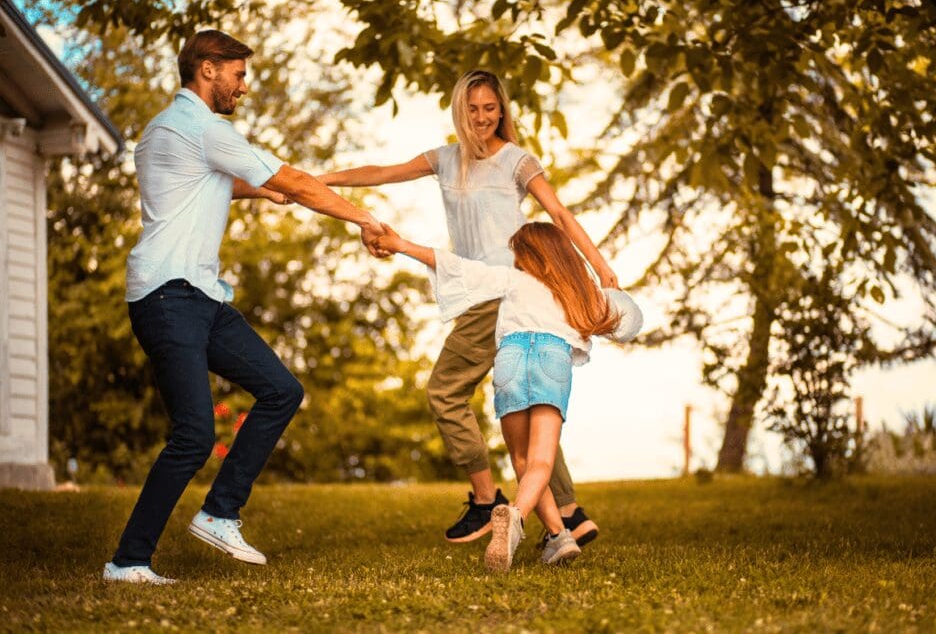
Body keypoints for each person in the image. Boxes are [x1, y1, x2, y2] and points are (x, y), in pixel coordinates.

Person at [102, 30, 386, 585]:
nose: (244, 87)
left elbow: (207, 185)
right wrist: (365, 219)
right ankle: (128, 561)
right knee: (193, 434)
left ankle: (219, 512)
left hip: (198, 295)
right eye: (237, 73)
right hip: (171, 295)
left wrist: (264, 189)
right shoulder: (205, 127)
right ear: (207, 69)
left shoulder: (163, 130)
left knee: (281, 389)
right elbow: (298, 182)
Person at [318, 70, 617, 545]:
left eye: (490, 108)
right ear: (461, 110)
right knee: (530, 400)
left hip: (500, 290)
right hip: (478, 290)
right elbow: (383, 173)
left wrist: (598, 265)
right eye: (473, 108)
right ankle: (568, 513)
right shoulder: (445, 159)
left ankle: (485, 500)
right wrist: (318, 182)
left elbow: (557, 213)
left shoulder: (516, 161)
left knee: (446, 391)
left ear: (502, 111)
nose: (481, 118)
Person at [373, 221, 642, 571]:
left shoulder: (511, 279)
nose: (515, 259)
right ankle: (515, 518)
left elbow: (458, 268)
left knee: (521, 460)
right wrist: (612, 291)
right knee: (542, 462)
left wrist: (401, 243)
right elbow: (630, 323)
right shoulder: (580, 292)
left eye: (519, 253)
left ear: (530, 256)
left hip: (511, 357)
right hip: (552, 358)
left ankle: (559, 538)